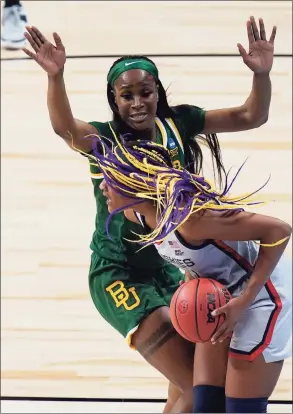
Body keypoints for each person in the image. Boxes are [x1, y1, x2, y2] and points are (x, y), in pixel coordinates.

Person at [22, 16, 277, 412]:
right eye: (127, 96)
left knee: (186, 388)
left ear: (157, 91)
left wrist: (261, 76)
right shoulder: (105, 140)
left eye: (146, 92)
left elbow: (251, 117)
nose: (137, 103)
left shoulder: (178, 123)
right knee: (196, 387)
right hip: (120, 274)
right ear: (114, 99)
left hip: (171, 266)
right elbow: (65, 129)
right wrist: (56, 77)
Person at [90, 135, 292, 414]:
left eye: (110, 181)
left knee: (240, 410)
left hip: (264, 294)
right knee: (205, 406)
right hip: (223, 297)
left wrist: (244, 300)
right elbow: (193, 259)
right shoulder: (137, 215)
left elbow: (279, 231)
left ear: (135, 186)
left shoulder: (193, 221)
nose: (102, 187)